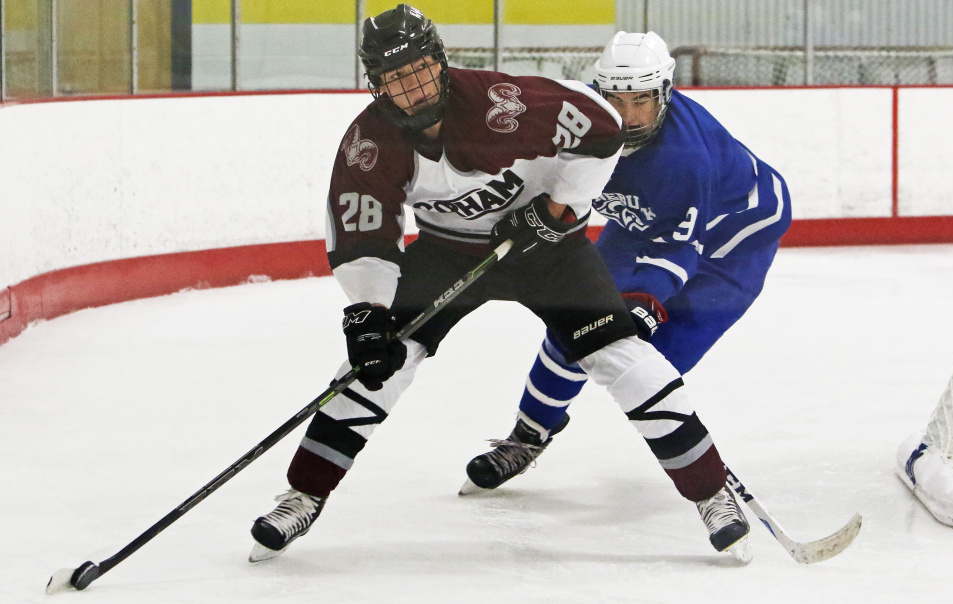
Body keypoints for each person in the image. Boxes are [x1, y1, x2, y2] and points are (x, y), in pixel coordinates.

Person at [249, 6, 750, 565]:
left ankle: (712, 493)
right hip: (446, 253)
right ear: (375, 83)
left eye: (418, 71)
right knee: (378, 362)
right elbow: (364, 231)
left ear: (439, 63)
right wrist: (368, 310)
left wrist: (559, 210)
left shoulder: (501, 102)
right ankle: (304, 494)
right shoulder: (370, 143)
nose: (411, 89)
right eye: (394, 79)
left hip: (547, 250)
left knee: (620, 355)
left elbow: (603, 127)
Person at [462, 30, 791, 555]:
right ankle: (526, 438)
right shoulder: (582, 120)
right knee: (575, 327)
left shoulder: (685, 158)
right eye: (616, 98)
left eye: (641, 101)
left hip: (732, 249)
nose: (628, 114)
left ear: (664, 93)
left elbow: (681, 250)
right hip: (646, 223)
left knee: (647, 365)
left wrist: (643, 306)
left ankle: (708, 488)